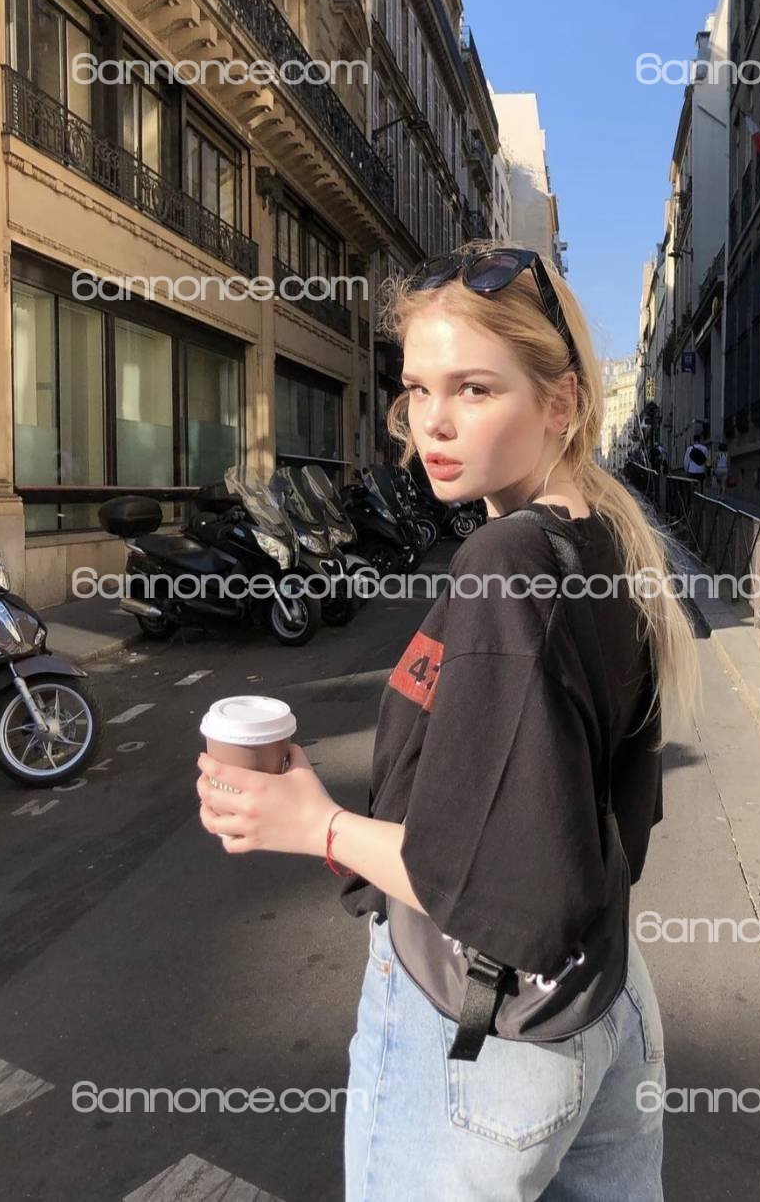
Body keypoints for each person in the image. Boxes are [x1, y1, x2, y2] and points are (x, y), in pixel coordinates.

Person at [195, 243, 700, 1200]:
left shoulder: (507, 560)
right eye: (417, 390)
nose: (433, 421)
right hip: (605, 1000)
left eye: (473, 387)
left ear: (560, 403)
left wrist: (314, 825)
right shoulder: (606, 537)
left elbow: (501, 884)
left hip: (479, 1035)